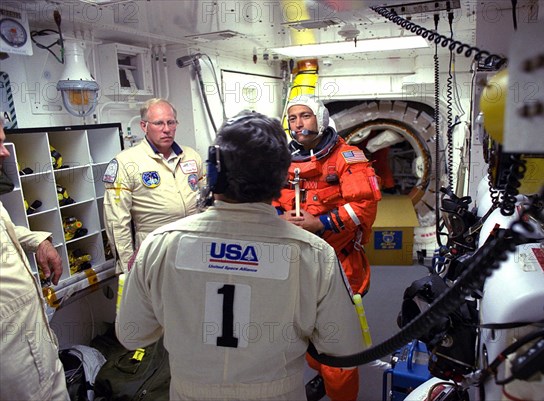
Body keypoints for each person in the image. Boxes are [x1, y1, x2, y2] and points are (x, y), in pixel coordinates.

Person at [116, 111, 366, 401]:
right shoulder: (314, 254)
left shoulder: (160, 245)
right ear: (280, 178)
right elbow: (345, 348)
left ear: (213, 172)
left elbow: (132, 335)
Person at [273, 95, 382, 401]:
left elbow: (364, 206)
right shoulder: (281, 163)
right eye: (293, 118)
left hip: (337, 266)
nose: (298, 124)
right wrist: (280, 219)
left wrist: (321, 223)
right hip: (294, 265)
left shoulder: (347, 158)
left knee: (338, 349)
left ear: (320, 119)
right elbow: (265, 202)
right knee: (305, 338)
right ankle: (323, 373)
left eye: (305, 116)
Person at [0, 121, 69, 400]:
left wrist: (36, 239)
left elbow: (6, 230)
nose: (5, 153)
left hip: (33, 336)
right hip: (12, 353)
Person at [103, 98, 204, 274]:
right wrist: (128, 267)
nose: (166, 129)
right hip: (154, 252)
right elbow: (117, 220)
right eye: (158, 123)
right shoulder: (126, 162)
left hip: (194, 246)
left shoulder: (191, 156)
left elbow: (207, 202)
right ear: (144, 126)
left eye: (171, 122)